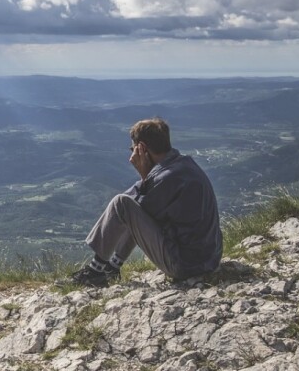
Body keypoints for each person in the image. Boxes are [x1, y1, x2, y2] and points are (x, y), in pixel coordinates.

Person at [70, 117, 222, 287]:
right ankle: (112, 268)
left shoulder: (167, 177)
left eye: (133, 149)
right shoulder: (181, 165)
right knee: (128, 204)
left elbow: (135, 207)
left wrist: (144, 176)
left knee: (121, 203)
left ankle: (95, 272)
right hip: (209, 259)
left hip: (185, 265)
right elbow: (136, 201)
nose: (132, 155)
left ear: (141, 148)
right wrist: (147, 178)